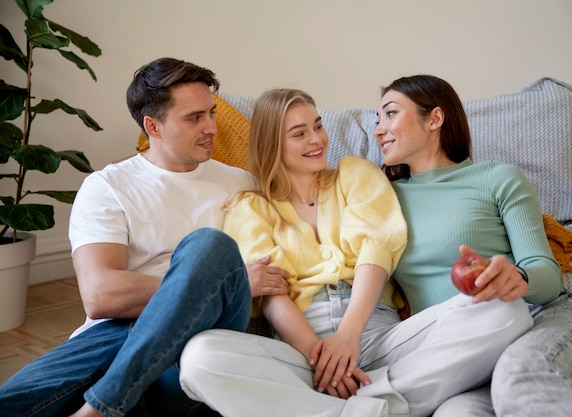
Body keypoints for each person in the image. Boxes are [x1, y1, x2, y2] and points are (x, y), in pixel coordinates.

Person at [178, 88, 533, 417]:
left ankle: (357, 406)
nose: (317, 139)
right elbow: (272, 293)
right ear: (273, 144)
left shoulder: (355, 174)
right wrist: (322, 359)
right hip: (304, 352)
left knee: (507, 310)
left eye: (317, 126)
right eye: (299, 133)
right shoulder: (249, 208)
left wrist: (348, 336)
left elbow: (376, 250)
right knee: (199, 357)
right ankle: (367, 408)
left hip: (379, 333)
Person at [0, 57, 290, 417]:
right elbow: (100, 295)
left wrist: (219, 281)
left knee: (209, 246)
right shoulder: (107, 187)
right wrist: (220, 283)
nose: (212, 127)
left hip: (203, 335)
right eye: (194, 118)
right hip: (110, 335)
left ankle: (100, 408)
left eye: (211, 113)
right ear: (153, 126)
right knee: (12, 402)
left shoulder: (241, 182)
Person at [374, 74, 572, 417]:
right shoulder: (379, 198)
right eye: (377, 119)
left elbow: (547, 277)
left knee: (519, 381)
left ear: (434, 118)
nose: (378, 130)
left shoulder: (497, 178)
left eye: (390, 114)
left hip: (546, 322)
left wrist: (517, 278)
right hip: (465, 356)